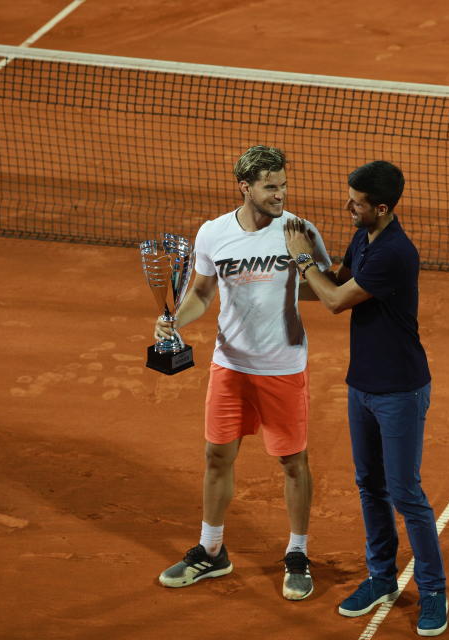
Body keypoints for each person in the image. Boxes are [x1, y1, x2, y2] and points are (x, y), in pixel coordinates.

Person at [155, 145, 332, 601]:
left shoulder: (299, 231)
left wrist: (293, 284)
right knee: (216, 457)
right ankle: (212, 550)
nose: (281, 194)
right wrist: (176, 319)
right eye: (271, 187)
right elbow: (200, 292)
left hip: (283, 367)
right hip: (229, 366)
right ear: (246, 187)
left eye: (283, 185)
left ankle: (297, 553)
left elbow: (323, 286)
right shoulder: (214, 234)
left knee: (293, 463)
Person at [283, 160, 447, 635]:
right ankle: (381, 577)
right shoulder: (364, 238)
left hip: (400, 390)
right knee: (369, 485)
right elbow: (331, 286)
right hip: (363, 386)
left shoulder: (395, 252)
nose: (347, 207)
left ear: (381, 207)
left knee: (404, 492)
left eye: (355, 203)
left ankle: (434, 590)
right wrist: (279, 281)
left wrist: (302, 260)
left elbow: (335, 303)